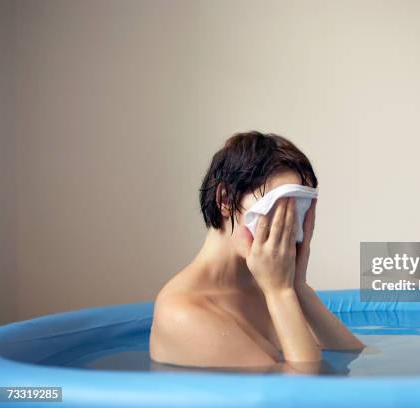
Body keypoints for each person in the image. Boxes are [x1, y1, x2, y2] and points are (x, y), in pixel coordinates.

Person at [149, 131, 364, 373]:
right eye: (277, 209)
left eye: (298, 211)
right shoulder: (181, 312)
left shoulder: (267, 284)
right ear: (225, 200)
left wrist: (298, 286)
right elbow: (302, 396)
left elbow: (354, 357)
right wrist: (280, 292)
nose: (288, 228)